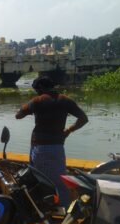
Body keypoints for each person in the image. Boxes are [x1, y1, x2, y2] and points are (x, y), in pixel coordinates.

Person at [15, 76, 88, 207]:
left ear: (41, 88)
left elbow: (18, 115)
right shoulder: (65, 100)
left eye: (36, 90)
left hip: (40, 147)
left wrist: (28, 106)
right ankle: (64, 212)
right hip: (57, 147)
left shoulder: (38, 100)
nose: (36, 92)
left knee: (39, 181)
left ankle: (43, 211)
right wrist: (68, 131)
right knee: (61, 183)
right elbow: (83, 118)